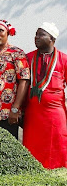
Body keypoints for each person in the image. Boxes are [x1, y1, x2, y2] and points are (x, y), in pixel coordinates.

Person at [23, 22, 67, 169]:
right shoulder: (27, 58)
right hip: (33, 115)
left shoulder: (64, 60)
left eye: (41, 34)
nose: (36, 37)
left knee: (58, 148)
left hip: (55, 115)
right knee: (32, 148)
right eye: (36, 34)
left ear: (52, 39)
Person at [0, 20, 30, 137]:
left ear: (7, 33)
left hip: (7, 113)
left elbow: (24, 80)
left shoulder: (16, 53)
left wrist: (15, 109)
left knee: (7, 151)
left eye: (0, 31)